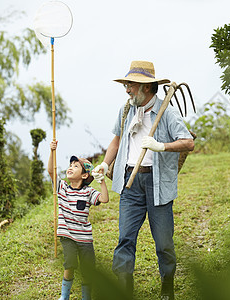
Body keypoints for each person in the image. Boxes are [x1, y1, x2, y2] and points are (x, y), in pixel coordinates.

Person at [92, 61, 194, 300]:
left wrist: (161, 146)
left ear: (146, 88)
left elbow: (188, 142)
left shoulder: (166, 111)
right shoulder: (126, 110)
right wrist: (106, 164)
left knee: (163, 243)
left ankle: (167, 288)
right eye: (126, 84)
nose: (127, 89)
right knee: (125, 238)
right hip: (130, 181)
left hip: (157, 184)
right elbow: (116, 142)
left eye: (131, 85)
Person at [48, 140, 109, 300]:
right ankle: (64, 296)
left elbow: (104, 199)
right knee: (70, 264)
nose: (70, 167)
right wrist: (52, 152)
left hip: (85, 238)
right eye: (70, 165)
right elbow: (51, 172)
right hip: (67, 235)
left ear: (84, 175)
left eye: (76, 166)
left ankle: (86, 297)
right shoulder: (62, 188)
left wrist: (101, 181)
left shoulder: (88, 191)